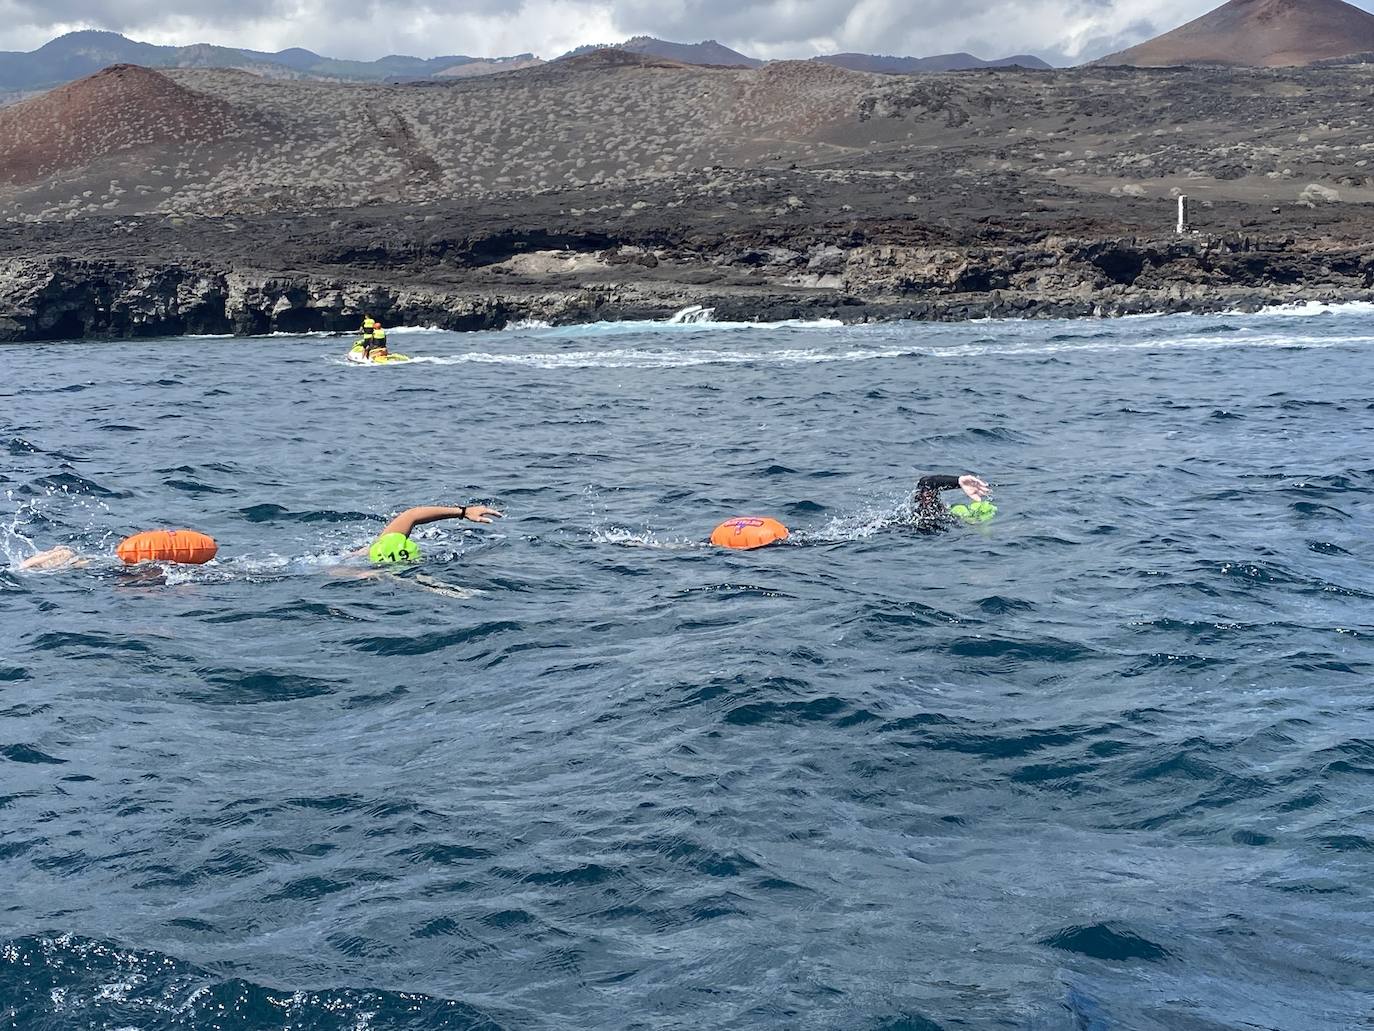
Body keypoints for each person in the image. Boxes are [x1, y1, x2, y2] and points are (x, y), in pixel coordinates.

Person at [366, 504, 502, 563]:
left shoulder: (375, 548)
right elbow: (411, 515)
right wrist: (463, 512)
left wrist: (464, 512)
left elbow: (411, 515)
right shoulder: (381, 544)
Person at [910, 473, 993, 531]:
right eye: (925, 493)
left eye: (932, 493)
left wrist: (959, 481)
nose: (929, 496)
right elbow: (926, 482)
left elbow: (929, 482)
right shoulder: (913, 518)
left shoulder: (948, 513)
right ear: (919, 497)